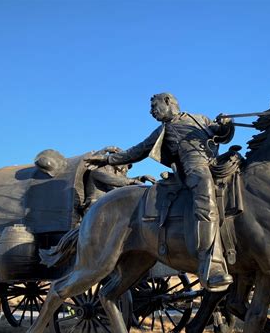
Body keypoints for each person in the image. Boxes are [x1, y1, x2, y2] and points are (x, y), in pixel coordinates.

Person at [85, 93, 234, 291]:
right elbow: (137, 151)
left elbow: (222, 135)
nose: (151, 111)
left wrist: (227, 124)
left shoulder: (200, 119)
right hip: (193, 169)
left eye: (154, 106)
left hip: (216, 163)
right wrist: (107, 160)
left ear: (168, 102)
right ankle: (212, 263)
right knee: (204, 192)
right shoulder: (162, 130)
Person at [84, 146, 155, 208]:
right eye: (126, 165)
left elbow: (123, 180)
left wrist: (141, 178)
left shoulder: (115, 173)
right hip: (94, 206)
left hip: (106, 203)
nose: (126, 169)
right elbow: (116, 180)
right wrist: (133, 181)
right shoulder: (98, 170)